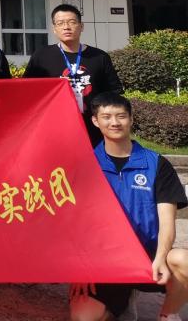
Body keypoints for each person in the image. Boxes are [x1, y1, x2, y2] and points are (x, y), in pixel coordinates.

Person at [69, 92, 188, 321]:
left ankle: (168, 314)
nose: (114, 122)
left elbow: (167, 222)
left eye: (121, 116)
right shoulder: (85, 165)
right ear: (95, 121)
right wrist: (80, 268)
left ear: (131, 119)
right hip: (104, 257)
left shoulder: (156, 164)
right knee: (83, 317)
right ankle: (122, 299)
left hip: (148, 256)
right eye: (106, 117)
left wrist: (161, 257)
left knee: (184, 261)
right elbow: (76, 221)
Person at [24, 3, 122, 146]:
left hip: (93, 127)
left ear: (81, 26)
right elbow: (28, 90)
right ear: (54, 28)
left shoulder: (99, 57)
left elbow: (114, 92)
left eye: (72, 22)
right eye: (60, 23)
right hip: (53, 127)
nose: (66, 27)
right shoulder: (42, 56)